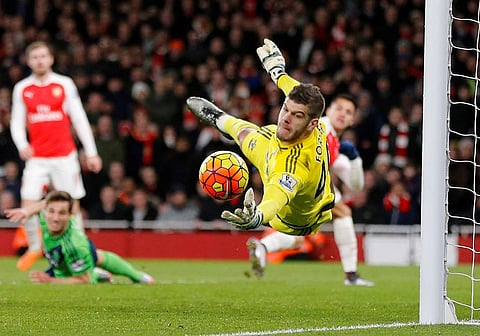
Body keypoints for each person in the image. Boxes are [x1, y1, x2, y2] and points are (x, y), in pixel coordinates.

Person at [186, 47, 336, 276]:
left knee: (250, 136)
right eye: (286, 109)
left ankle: (222, 121)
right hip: (301, 176)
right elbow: (292, 89)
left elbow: (276, 198)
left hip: (293, 219)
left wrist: (257, 217)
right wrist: (277, 71)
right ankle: (220, 119)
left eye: (296, 116)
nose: (285, 118)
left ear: (312, 124)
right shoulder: (308, 117)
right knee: (250, 132)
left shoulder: (294, 167)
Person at [248, 39, 373, 285]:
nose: (342, 114)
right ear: (328, 110)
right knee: (343, 212)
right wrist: (277, 71)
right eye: (339, 108)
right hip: (292, 177)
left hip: (297, 185)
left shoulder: (335, 145)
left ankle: (262, 247)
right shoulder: (318, 127)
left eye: (348, 113)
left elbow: (356, 185)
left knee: (301, 237)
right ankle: (351, 274)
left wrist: (355, 159)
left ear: (351, 122)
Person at [9, 41, 103, 271]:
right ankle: (33, 247)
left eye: (43, 56)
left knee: (72, 206)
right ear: (29, 61)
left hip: (64, 155)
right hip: (37, 157)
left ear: (51, 58)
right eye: (35, 57)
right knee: (28, 199)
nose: (40, 60)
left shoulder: (64, 84)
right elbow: (16, 122)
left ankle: (80, 249)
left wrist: (91, 152)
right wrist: (22, 144)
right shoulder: (22, 88)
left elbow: (79, 118)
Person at [4, 190, 154, 284]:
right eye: (51, 211)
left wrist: (52, 281)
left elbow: (84, 281)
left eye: (62, 213)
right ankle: (98, 272)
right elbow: (44, 204)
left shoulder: (74, 246)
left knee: (91, 265)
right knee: (96, 258)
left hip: (78, 251)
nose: (55, 218)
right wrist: (26, 211)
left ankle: (135, 276)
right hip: (59, 260)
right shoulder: (45, 215)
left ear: (70, 215)